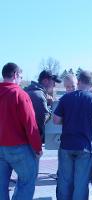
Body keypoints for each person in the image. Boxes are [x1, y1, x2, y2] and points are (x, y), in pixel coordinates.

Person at [53, 70, 92, 200]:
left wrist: (67, 120)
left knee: (64, 181)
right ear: (91, 83)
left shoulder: (66, 98)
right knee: (81, 184)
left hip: (66, 145)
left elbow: (55, 120)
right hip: (85, 147)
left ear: (78, 81)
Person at [0, 63, 42, 199]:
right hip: (18, 147)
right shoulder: (19, 94)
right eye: (21, 77)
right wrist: (37, 148)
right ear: (15, 75)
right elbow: (30, 124)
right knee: (27, 180)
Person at [25, 70, 61, 142]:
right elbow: (43, 119)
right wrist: (50, 107)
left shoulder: (29, 91)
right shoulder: (39, 96)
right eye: (53, 82)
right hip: (31, 139)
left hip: (24, 137)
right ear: (45, 81)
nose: (54, 85)